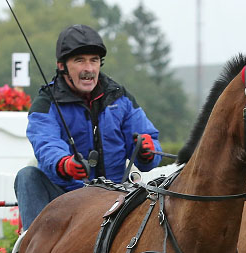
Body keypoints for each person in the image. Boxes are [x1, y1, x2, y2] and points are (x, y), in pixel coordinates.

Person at [14, 24, 162, 230]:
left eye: (94, 60)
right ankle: (30, 249)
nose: (89, 69)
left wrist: (148, 151)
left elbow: (149, 145)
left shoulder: (121, 98)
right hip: (66, 200)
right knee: (27, 175)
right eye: (79, 60)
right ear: (62, 66)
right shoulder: (45, 104)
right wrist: (65, 164)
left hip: (117, 200)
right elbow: (46, 145)